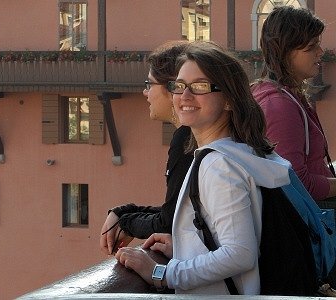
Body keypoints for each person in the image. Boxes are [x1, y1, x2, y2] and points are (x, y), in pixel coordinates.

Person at [114, 41, 292, 295]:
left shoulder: (219, 165)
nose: (185, 96)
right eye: (179, 86)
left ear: (229, 100)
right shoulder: (242, 153)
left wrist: (160, 273)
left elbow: (241, 254)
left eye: (200, 86)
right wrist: (190, 245)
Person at [100, 40, 195, 255]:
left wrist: (126, 221)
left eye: (149, 84)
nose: (145, 93)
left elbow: (170, 222)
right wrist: (127, 214)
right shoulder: (190, 135)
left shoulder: (187, 139)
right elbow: (177, 212)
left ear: (173, 88)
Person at [251, 6, 336, 202]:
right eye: (312, 46)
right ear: (286, 51)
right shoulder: (279, 106)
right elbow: (296, 182)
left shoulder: (285, 95)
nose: (320, 52)